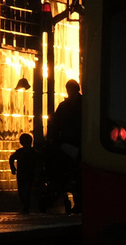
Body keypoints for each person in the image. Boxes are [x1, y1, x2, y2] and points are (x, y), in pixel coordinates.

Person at [43, 79, 83, 213]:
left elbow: (55, 122)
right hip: (77, 141)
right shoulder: (84, 104)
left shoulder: (64, 106)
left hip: (69, 142)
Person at [9, 132, 47, 214]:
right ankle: (25, 206)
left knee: (25, 191)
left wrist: (13, 168)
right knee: (23, 191)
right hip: (25, 174)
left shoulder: (28, 153)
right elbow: (11, 158)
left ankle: (26, 207)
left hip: (26, 174)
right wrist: (13, 168)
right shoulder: (31, 153)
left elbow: (11, 158)